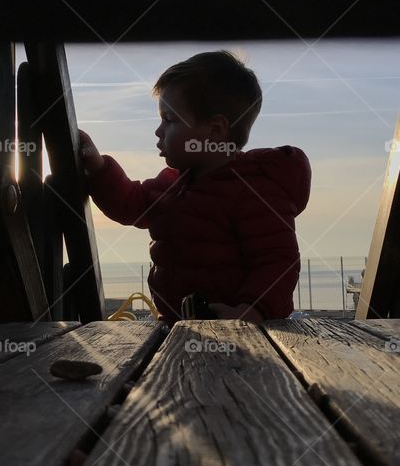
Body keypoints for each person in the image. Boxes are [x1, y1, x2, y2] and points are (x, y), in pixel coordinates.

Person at [78, 50, 311, 326]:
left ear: (214, 130)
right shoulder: (171, 184)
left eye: (169, 119)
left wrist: (252, 311)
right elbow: (130, 204)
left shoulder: (255, 190)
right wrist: (99, 169)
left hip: (235, 332)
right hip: (178, 325)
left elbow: (277, 261)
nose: (158, 131)